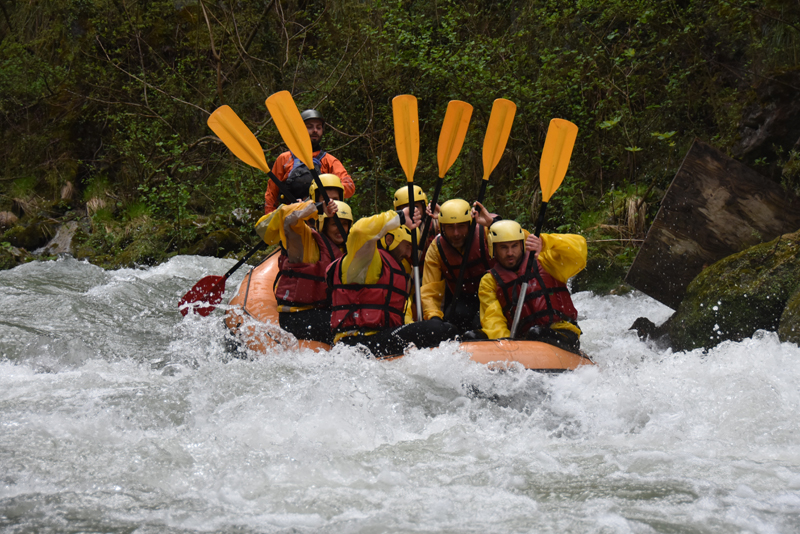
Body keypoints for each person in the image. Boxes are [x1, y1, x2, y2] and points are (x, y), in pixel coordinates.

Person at [326, 206, 458, 357]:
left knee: (435, 329)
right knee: (444, 330)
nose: (409, 253)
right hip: (357, 342)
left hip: (378, 339)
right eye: (407, 245)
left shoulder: (397, 271)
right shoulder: (365, 261)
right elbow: (359, 232)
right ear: (389, 240)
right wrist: (399, 217)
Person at [466, 220, 587, 353]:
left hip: (561, 333)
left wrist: (545, 242)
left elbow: (579, 250)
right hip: (522, 341)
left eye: (514, 246)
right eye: (503, 247)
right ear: (492, 248)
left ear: (522, 245)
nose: (510, 253)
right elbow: (493, 319)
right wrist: (506, 345)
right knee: (471, 337)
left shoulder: (546, 262)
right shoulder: (489, 281)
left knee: (536, 333)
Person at [255, 199, 352, 344]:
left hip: (322, 313)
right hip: (297, 316)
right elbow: (288, 219)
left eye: (345, 224)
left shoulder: (348, 252)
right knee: (346, 326)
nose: (340, 228)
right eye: (334, 224)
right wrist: (317, 207)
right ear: (324, 225)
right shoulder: (307, 241)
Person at [421, 199, 496, 333]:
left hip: (493, 296)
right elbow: (430, 291)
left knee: (479, 323)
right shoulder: (436, 249)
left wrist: (494, 225)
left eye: (461, 226)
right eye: (450, 227)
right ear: (442, 227)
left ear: (469, 224)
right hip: (464, 298)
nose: (456, 233)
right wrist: (434, 318)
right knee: (453, 317)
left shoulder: (486, 232)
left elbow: (515, 242)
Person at [264, 109, 354, 213]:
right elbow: (271, 194)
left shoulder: (329, 161)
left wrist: (326, 192)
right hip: (290, 220)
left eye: (318, 127)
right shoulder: (284, 159)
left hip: (319, 221)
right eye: (309, 127)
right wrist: (270, 220)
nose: (315, 130)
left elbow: (349, 186)